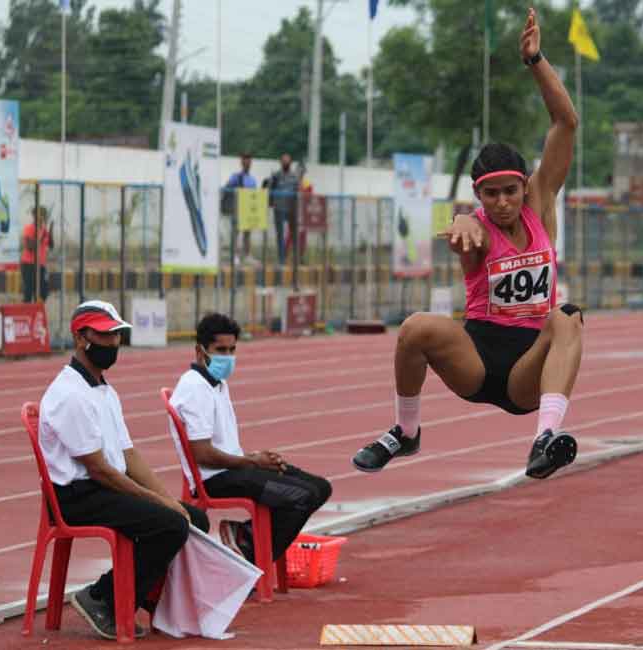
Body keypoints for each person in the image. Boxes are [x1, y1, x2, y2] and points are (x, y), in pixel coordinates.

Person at [352, 8, 583, 480]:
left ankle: (545, 437)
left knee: (568, 316)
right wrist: (464, 227)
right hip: (476, 361)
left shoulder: (540, 206)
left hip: (528, 369)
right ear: (478, 195)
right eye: (490, 195)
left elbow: (566, 123)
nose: (501, 204)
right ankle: (406, 430)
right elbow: (466, 235)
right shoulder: (473, 226)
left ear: (525, 189)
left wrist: (536, 59)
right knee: (416, 327)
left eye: (510, 192)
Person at [39, 300, 208, 640]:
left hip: (103, 488)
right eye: (103, 335)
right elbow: (100, 470)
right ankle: (102, 596)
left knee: (196, 520)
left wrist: (166, 497)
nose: (113, 343)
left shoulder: (103, 390)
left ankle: (146, 597)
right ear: (79, 337)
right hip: (77, 497)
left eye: (116, 334)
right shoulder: (71, 394)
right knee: (170, 524)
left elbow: (128, 456)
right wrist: (161, 504)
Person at [169, 312, 331, 565]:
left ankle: (245, 538)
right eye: (220, 349)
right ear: (200, 351)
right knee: (300, 496)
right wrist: (253, 462)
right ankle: (253, 560)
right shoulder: (194, 388)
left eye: (232, 349)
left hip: (235, 468)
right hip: (215, 478)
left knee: (321, 487)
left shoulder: (217, 382)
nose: (227, 357)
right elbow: (203, 455)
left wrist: (257, 459)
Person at [223, 152, 259, 266]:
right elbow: (227, 188)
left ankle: (247, 255)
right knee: (236, 233)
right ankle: (235, 256)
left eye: (249, 161)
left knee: (247, 233)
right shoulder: (235, 176)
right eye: (245, 161)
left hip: (248, 210)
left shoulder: (253, 180)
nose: (247, 163)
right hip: (237, 208)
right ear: (241, 163)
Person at [267, 153, 301, 266]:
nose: (286, 163)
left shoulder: (294, 176)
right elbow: (270, 190)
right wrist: (270, 203)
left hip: (292, 208)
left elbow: (297, 191)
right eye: (284, 161)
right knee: (280, 234)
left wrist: (297, 207)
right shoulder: (276, 176)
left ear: (291, 163)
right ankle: (281, 260)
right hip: (279, 208)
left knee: (294, 234)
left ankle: (296, 258)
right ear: (280, 162)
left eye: (288, 161)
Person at [21, 205, 54, 303]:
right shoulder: (29, 228)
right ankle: (26, 312)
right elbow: (29, 247)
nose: (42, 217)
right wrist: (42, 235)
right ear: (34, 215)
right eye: (40, 214)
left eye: (44, 215)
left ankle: (37, 310)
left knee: (43, 291)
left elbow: (51, 245)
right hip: (28, 264)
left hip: (41, 265)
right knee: (28, 291)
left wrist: (50, 232)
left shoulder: (44, 230)